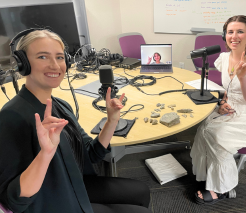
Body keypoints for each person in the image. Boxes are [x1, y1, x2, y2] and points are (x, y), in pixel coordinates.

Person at [0, 29, 152, 213]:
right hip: (54, 201)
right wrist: (45, 154)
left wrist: (111, 120)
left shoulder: (61, 106)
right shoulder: (11, 117)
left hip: (75, 182)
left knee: (142, 191)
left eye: (59, 57)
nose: (55, 65)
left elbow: (90, 154)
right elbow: (14, 200)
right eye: (42, 57)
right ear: (23, 63)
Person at [190, 15, 246, 205]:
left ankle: (221, 188)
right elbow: (227, 90)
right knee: (204, 126)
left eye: (240, 31)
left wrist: (242, 78)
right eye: (230, 32)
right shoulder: (223, 58)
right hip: (233, 107)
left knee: (218, 136)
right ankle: (207, 175)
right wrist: (222, 103)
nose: (234, 36)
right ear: (224, 35)